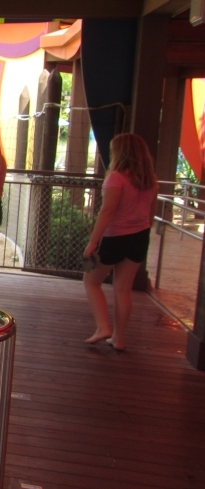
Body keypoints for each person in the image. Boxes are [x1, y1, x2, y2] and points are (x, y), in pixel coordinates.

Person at [82, 134, 158, 351]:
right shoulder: (151, 180)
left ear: (120, 153)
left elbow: (107, 211)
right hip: (139, 237)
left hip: (115, 237)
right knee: (123, 289)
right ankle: (119, 338)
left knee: (91, 281)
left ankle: (102, 327)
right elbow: (151, 216)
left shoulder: (116, 178)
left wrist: (92, 243)